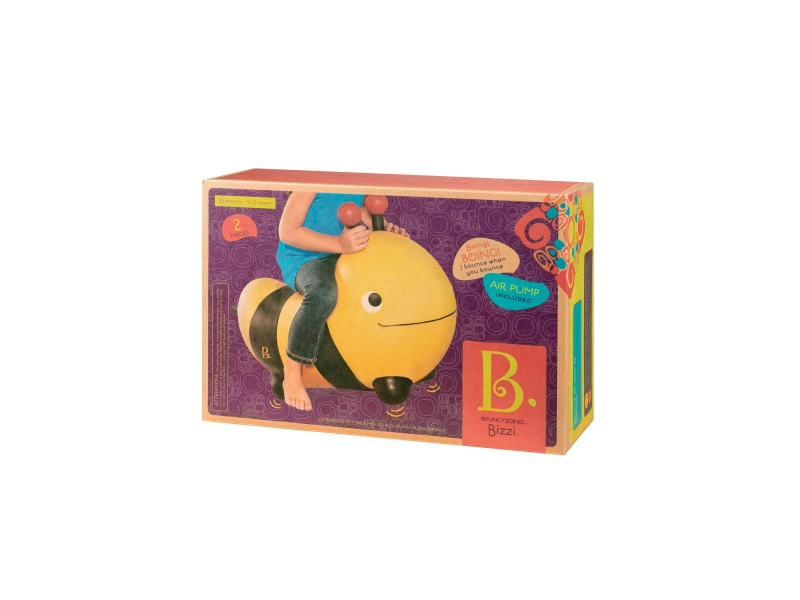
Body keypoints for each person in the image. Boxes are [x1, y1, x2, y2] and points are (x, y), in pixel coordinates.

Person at [276, 192, 409, 410]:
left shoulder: (356, 179)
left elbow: (361, 211)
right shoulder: (309, 182)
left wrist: (385, 231)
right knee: (324, 292)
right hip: (305, 258)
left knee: (384, 281)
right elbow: (288, 231)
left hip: (343, 253)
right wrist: (339, 243)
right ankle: (292, 372)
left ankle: (383, 353)